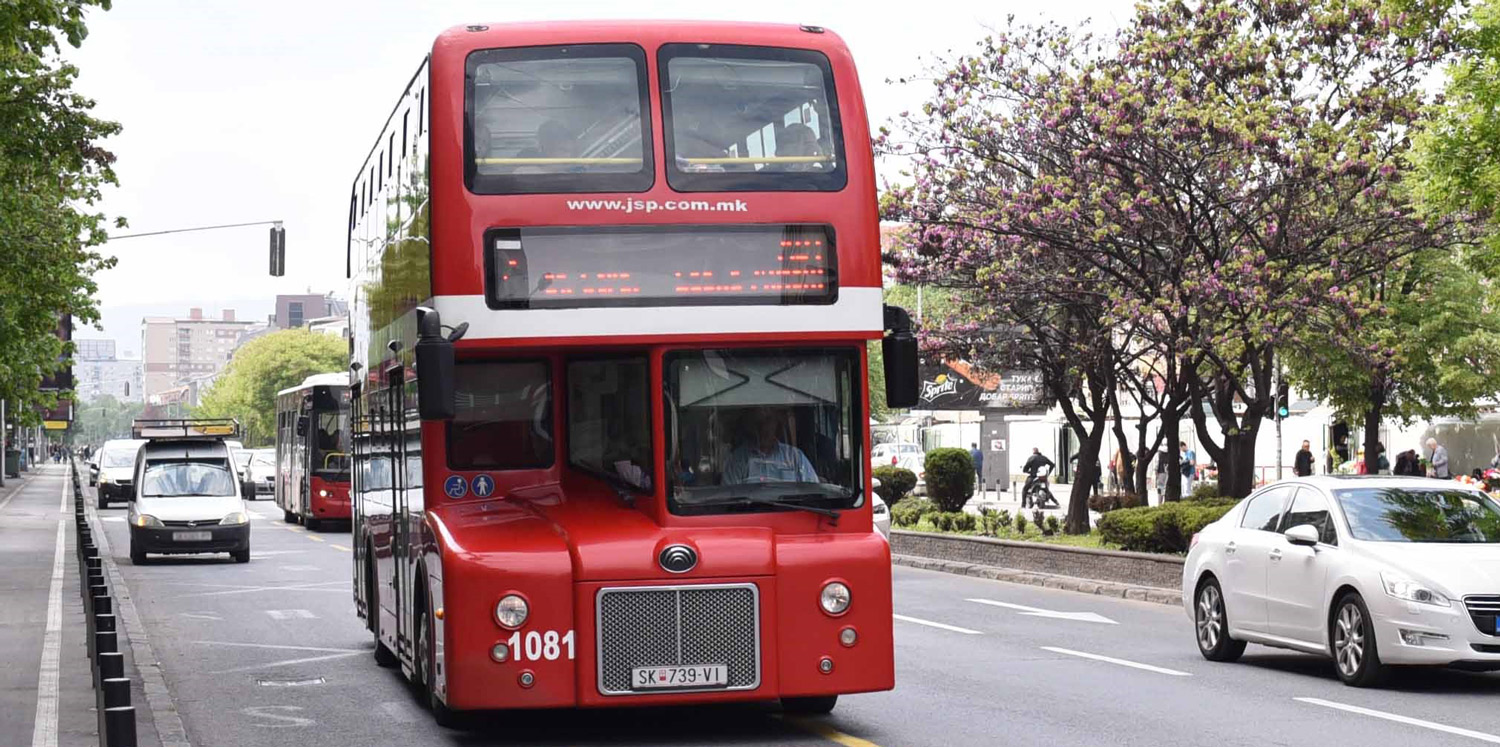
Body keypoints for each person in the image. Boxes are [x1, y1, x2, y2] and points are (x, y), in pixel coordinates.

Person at [722, 409, 818, 485]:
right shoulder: (737, 461)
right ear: (750, 426)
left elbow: (813, 492)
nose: (763, 428)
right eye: (758, 422)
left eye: (767, 421)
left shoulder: (795, 458)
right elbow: (729, 501)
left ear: (777, 423)